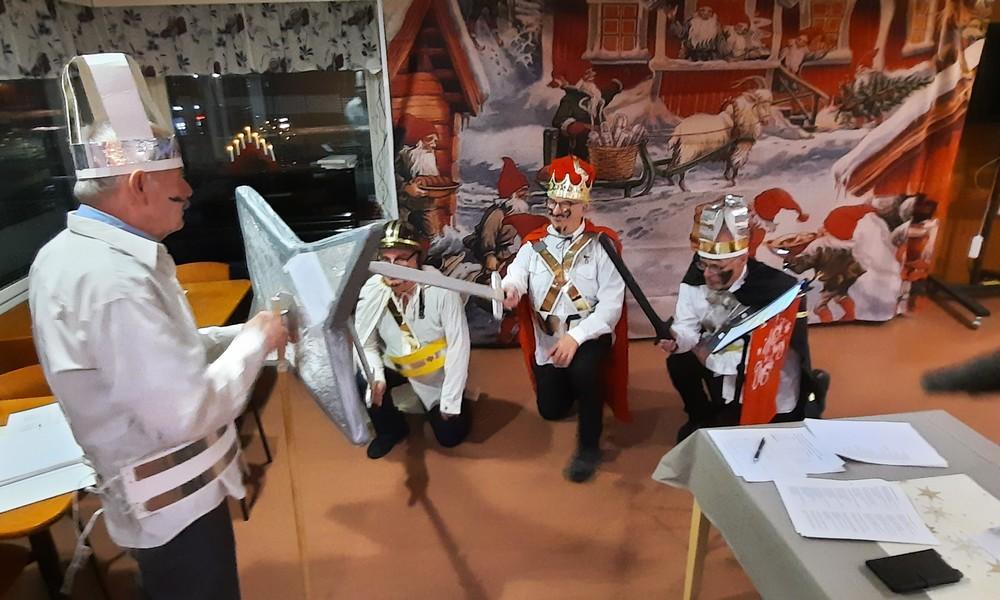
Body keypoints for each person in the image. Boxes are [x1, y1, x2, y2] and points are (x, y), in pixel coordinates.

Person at [28, 53, 288, 600]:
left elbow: (167, 356)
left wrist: (242, 336)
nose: (189, 192)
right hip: (173, 507)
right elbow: (184, 410)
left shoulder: (71, 254)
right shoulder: (113, 281)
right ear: (138, 183)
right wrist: (256, 340)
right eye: (177, 183)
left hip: (159, 497)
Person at [501, 155, 629, 482]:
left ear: (584, 206)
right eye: (553, 202)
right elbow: (515, 275)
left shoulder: (602, 247)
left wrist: (576, 337)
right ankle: (572, 385)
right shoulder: (532, 247)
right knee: (551, 410)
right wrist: (511, 289)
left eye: (567, 204)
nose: (557, 210)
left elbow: (611, 308)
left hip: (588, 335)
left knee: (585, 372)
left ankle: (589, 447)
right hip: (548, 339)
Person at [658, 195, 824, 443]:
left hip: (760, 379)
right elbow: (687, 326)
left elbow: (769, 356)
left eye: (718, 267)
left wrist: (707, 354)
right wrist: (677, 339)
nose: (708, 275)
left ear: (742, 259)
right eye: (704, 264)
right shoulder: (695, 279)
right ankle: (699, 414)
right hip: (719, 363)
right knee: (679, 362)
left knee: (746, 440)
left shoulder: (777, 292)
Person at [355, 220, 472, 459]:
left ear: (418, 258)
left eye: (401, 259)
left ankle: (456, 400)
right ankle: (390, 430)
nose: (392, 269)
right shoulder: (373, 290)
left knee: (450, 436)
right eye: (385, 260)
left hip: (435, 370)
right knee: (362, 377)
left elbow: (459, 347)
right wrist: (377, 379)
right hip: (396, 361)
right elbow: (365, 344)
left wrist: (450, 400)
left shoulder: (443, 290)